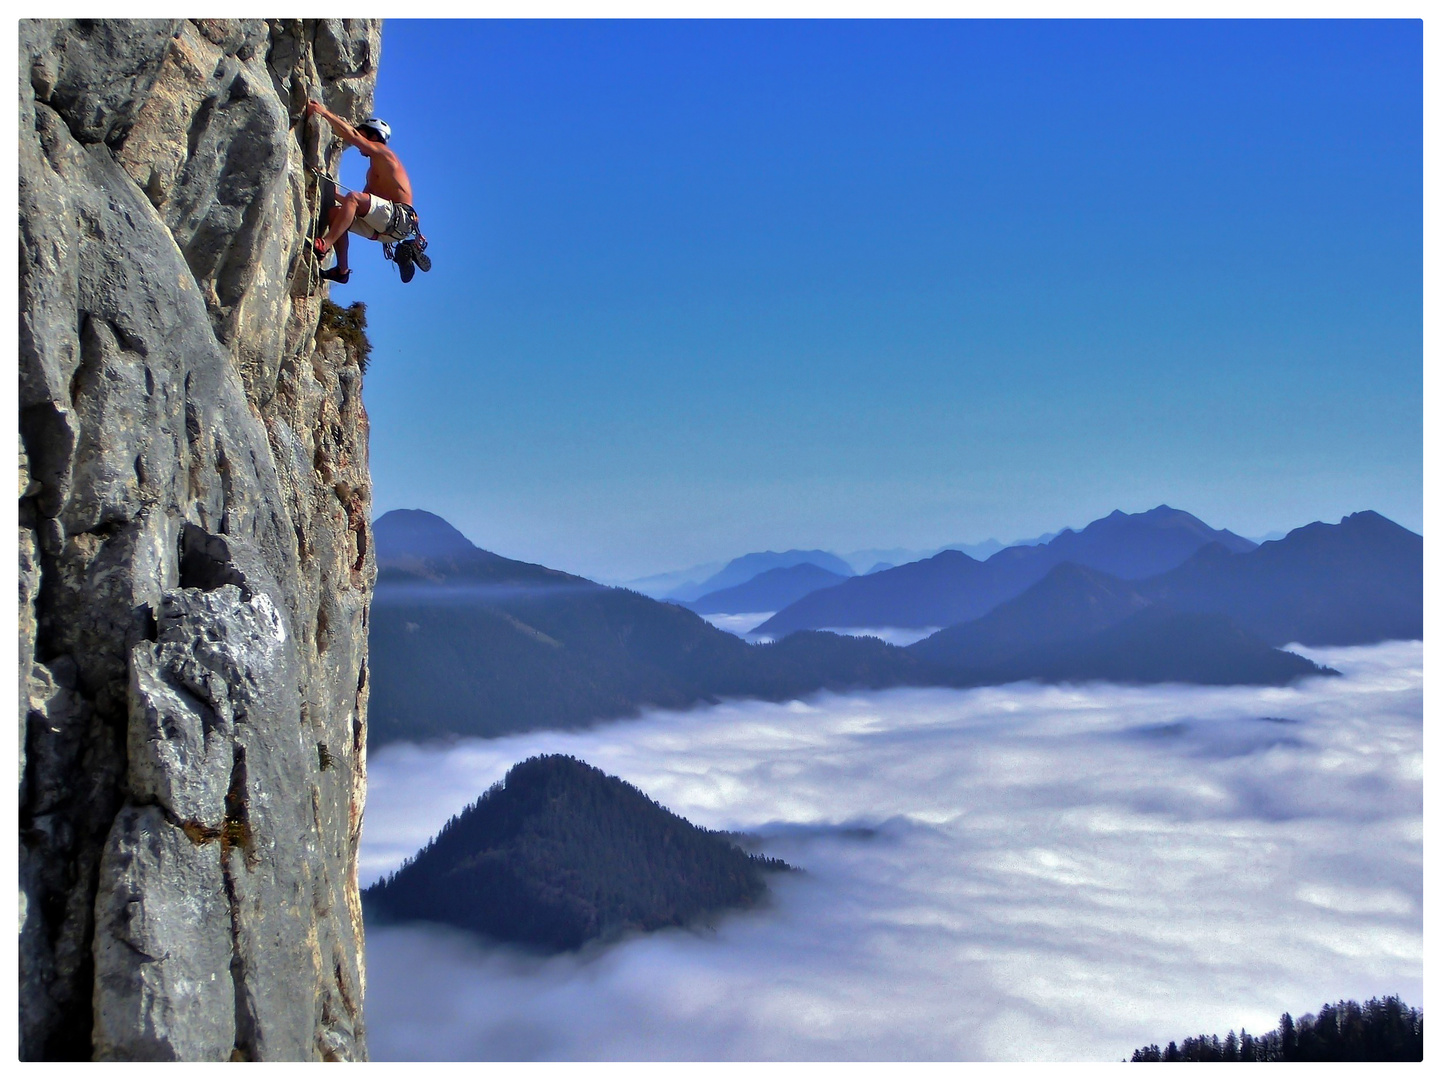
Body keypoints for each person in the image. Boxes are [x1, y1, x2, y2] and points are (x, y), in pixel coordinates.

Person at [307, 100, 430, 283]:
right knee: (335, 213)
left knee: (353, 198)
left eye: (363, 133)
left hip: (400, 217)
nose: (360, 139)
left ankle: (324, 244)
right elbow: (357, 207)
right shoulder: (373, 173)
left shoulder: (383, 153)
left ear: (373, 136)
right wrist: (330, 191)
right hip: (387, 231)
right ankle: (342, 270)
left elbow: (352, 136)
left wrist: (323, 112)